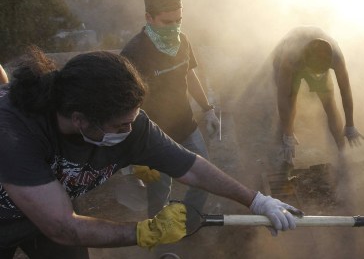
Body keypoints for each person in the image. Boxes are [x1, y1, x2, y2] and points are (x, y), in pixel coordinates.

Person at [0, 47, 302, 258]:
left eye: (132, 121)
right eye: (120, 126)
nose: (130, 133)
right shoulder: (14, 131)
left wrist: (256, 201)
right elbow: (64, 227)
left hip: (51, 217)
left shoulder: (129, 123)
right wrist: (147, 232)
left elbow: (192, 167)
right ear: (79, 119)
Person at [121, 0, 219, 219]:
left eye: (179, 20)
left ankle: (189, 219)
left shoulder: (182, 41)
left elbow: (188, 75)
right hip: (153, 135)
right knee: (160, 190)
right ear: (149, 18)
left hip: (186, 125)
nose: (174, 27)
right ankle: (160, 233)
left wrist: (208, 110)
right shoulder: (134, 53)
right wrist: (130, 158)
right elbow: (123, 103)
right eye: (167, 22)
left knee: (204, 177)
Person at [272, 26, 364, 166]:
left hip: (315, 61)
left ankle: (342, 152)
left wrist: (350, 124)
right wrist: (288, 134)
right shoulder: (290, 58)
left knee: (328, 102)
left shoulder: (336, 57)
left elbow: (345, 90)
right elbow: (283, 97)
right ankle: (286, 140)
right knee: (291, 99)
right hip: (289, 59)